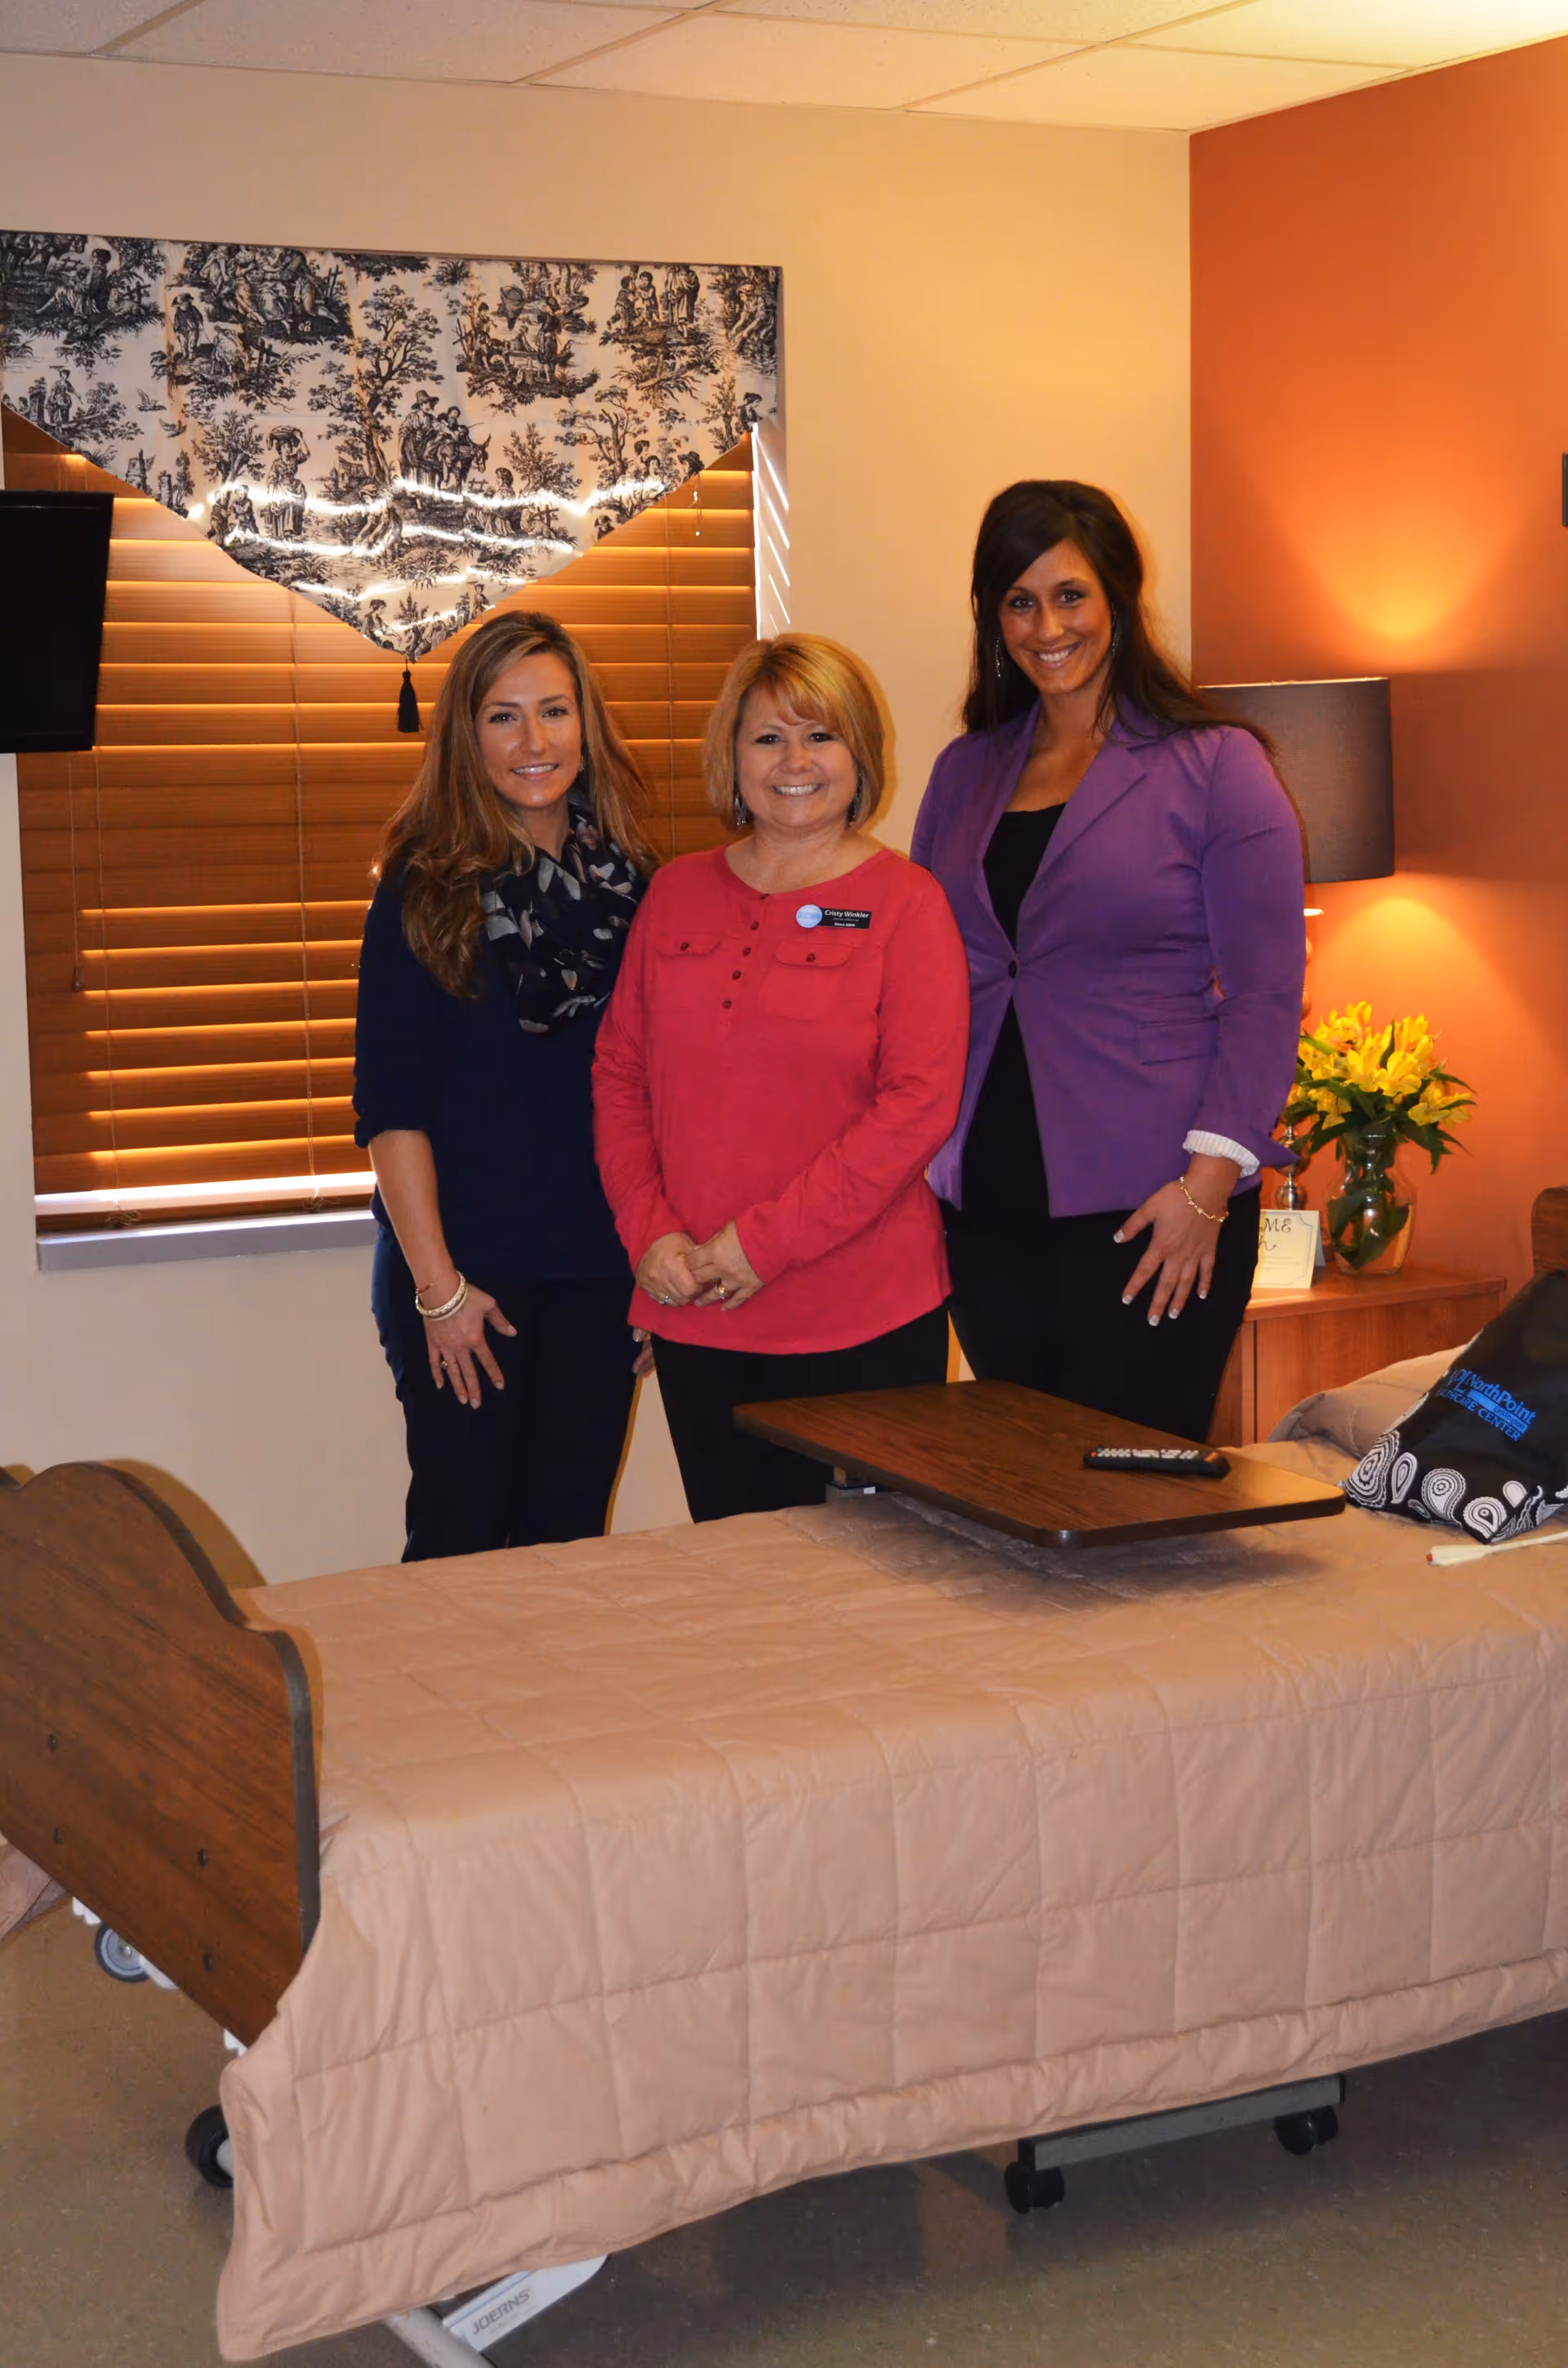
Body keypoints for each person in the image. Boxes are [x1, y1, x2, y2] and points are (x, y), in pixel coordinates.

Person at [911, 479, 1304, 1443]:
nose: (1047, 627)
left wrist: (1207, 1190)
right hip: (986, 1205)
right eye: (1019, 601)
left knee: (1131, 1490)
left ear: (1119, 596)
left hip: (1154, 1204)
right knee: (1022, 1483)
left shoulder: (1216, 763)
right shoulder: (965, 770)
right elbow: (928, 972)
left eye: (1070, 595)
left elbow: (1264, 993)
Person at [593, 634, 970, 1522]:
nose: (795, 761)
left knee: (870, 1586)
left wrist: (760, 1246)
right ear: (732, 757)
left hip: (865, 1322)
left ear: (859, 754)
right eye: (768, 738)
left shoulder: (909, 905)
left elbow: (917, 1108)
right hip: (700, 1312)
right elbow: (620, 1076)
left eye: (821, 736)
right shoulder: (675, 894)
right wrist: (649, 1237)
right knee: (742, 1584)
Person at [353, 610, 653, 1559]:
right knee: (462, 1549)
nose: (534, 742)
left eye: (554, 711)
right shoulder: (423, 889)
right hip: (466, 1279)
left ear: (585, 723)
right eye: (504, 716)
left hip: (600, 1278)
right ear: (466, 736)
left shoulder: (636, 887)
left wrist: (658, 1267)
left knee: (569, 1551)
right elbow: (391, 1109)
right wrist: (440, 1292)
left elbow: (662, 1097)